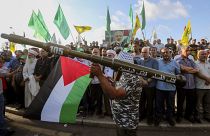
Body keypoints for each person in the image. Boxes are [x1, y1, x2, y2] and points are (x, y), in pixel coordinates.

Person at [90, 58, 147, 136]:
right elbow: (119, 87)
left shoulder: (133, 78)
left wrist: (100, 76)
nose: (113, 64)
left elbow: (113, 95)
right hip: (120, 119)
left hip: (127, 123)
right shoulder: (123, 73)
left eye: (116, 62)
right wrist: (112, 83)